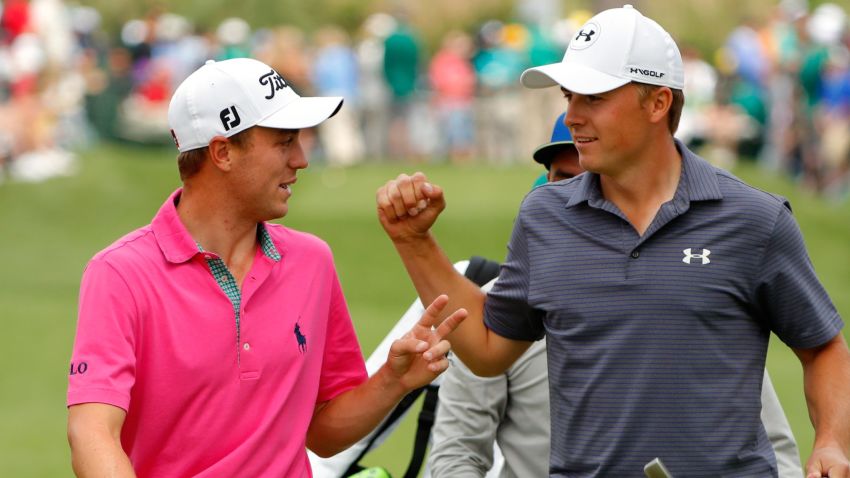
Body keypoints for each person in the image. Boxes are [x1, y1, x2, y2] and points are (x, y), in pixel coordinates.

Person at [376, 6, 850, 477]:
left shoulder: (754, 219)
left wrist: (831, 440)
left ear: (658, 103)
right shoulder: (544, 216)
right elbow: (485, 350)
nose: (572, 117)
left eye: (593, 99)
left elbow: (823, 349)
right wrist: (414, 242)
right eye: (569, 97)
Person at [66, 57, 467, 477]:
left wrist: (393, 380)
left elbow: (323, 433)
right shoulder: (121, 273)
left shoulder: (313, 261)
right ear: (223, 152)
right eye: (283, 141)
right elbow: (92, 434)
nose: (301, 159)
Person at [427, 112, 804, 478]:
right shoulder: (495, 309)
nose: (580, 195)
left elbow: (771, 443)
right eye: (563, 179)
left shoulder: (687, 293)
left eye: (596, 180)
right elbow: (456, 454)